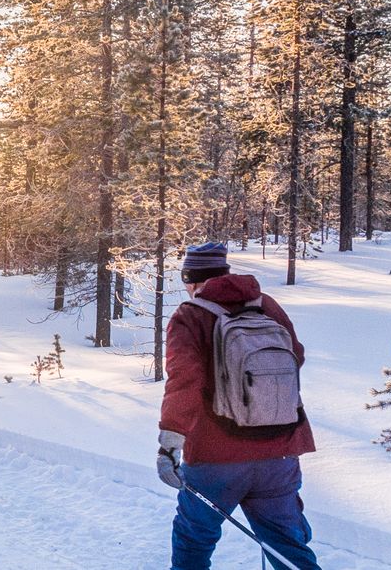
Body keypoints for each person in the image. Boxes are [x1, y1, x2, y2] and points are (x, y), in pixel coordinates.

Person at [156, 243, 320, 569]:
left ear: (192, 279)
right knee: (286, 546)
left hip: (216, 457)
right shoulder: (267, 305)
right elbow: (295, 357)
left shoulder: (190, 316)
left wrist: (169, 445)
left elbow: (184, 381)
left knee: (194, 538)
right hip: (280, 450)